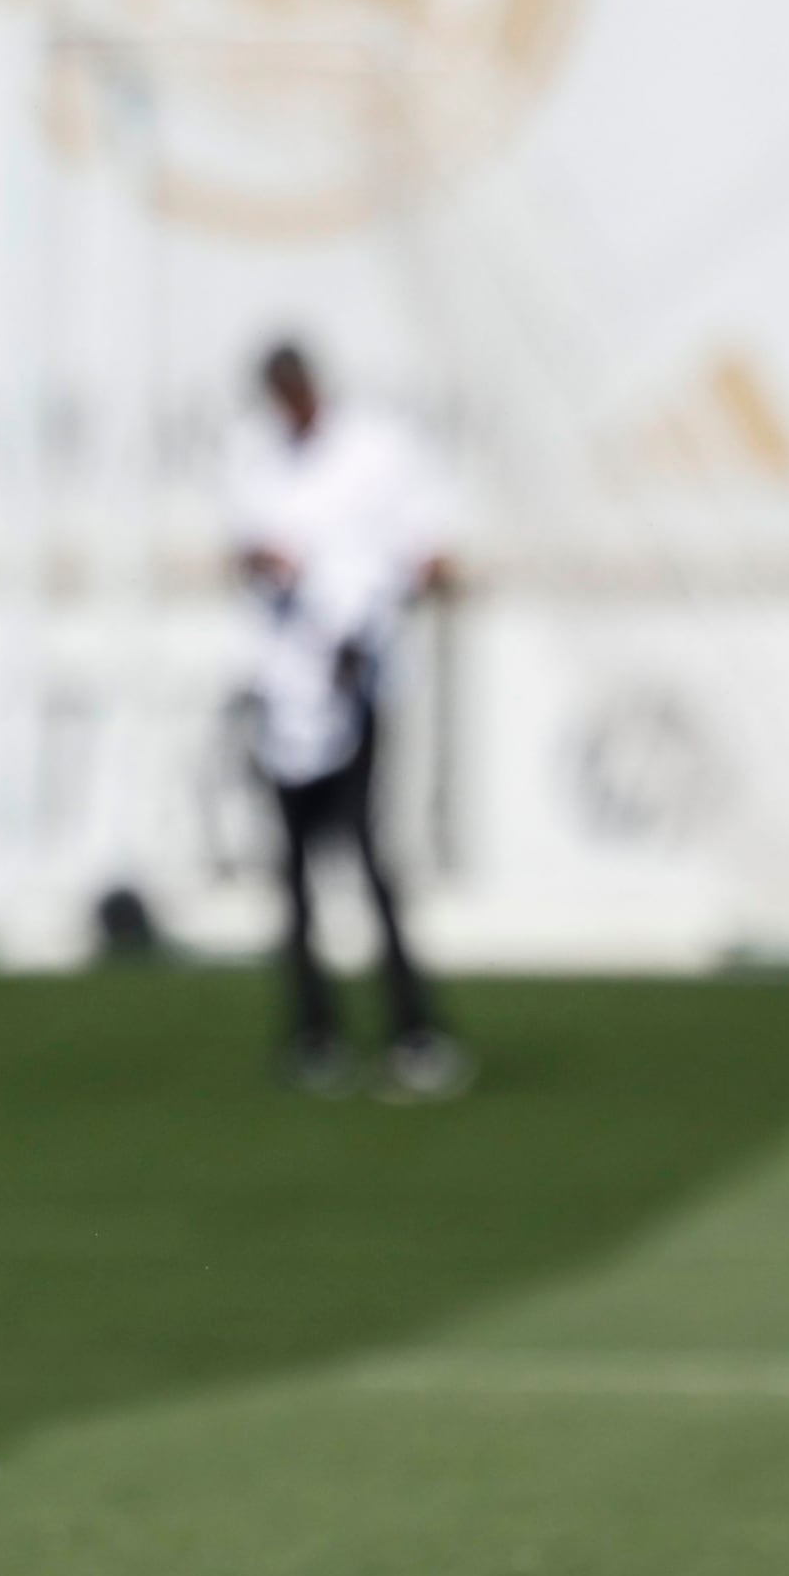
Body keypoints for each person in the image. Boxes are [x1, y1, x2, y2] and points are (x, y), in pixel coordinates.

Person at [223, 341, 464, 1101]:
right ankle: (315, 1033)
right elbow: (242, 549)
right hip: (285, 685)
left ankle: (414, 1030)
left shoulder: (375, 451)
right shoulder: (257, 461)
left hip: (360, 682)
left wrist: (377, 605)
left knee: (368, 858)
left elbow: (432, 556)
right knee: (292, 873)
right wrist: (269, 566)